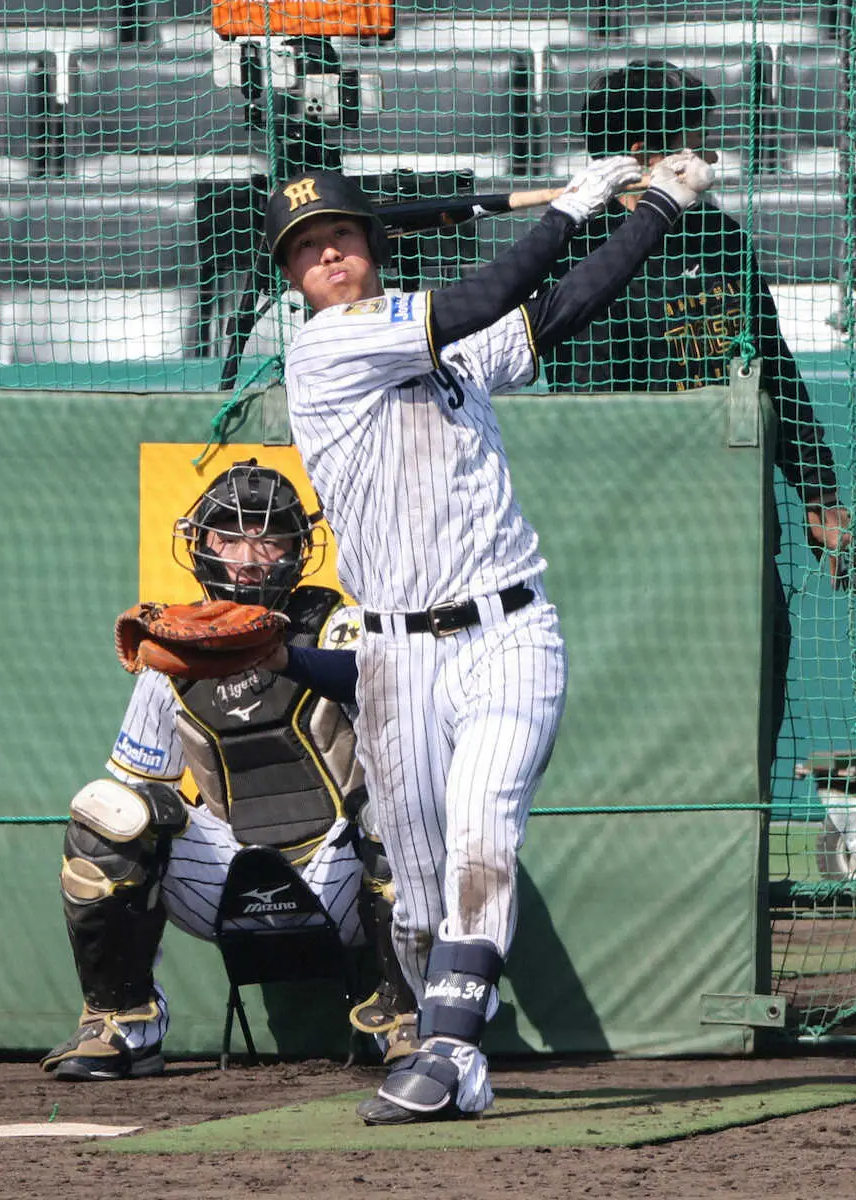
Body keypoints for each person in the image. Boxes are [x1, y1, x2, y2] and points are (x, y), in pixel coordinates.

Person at [264, 153, 715, 1123]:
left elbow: (552, 313)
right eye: (305, 250)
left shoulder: (442, 332)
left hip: (509, 627)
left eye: (338, 235)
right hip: (392, 658)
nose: (327, 255)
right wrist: (567, 212)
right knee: (421, 904)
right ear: (295, 279)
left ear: (370, 244)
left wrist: (655, 212)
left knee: (484, 824)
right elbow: (481, 297)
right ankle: (453, 1043)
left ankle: (450, 1052)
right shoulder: (327, 349)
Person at [41, 459, 415, 1082]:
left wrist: (293, 658)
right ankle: (120, 1022)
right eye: (229, 537)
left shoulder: (340, 624)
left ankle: (406, 1016)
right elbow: (134, 792)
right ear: (201, 545)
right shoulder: (173, 649)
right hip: (230, 873)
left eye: (269, 538)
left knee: (401, 806)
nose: (248, 556)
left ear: (298, 551)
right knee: (106, 815)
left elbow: (391, 718)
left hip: (342, 870)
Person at [543, 61, 856, 761]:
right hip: (636, 537)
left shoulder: (719, 237)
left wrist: (819, 492)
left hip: (738, 524)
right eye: (698, 141)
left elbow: (772, 366)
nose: (711, 156)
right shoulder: (585, 253)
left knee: (755, 697)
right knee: (643, 716)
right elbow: (592, 412)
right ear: (650, 156)